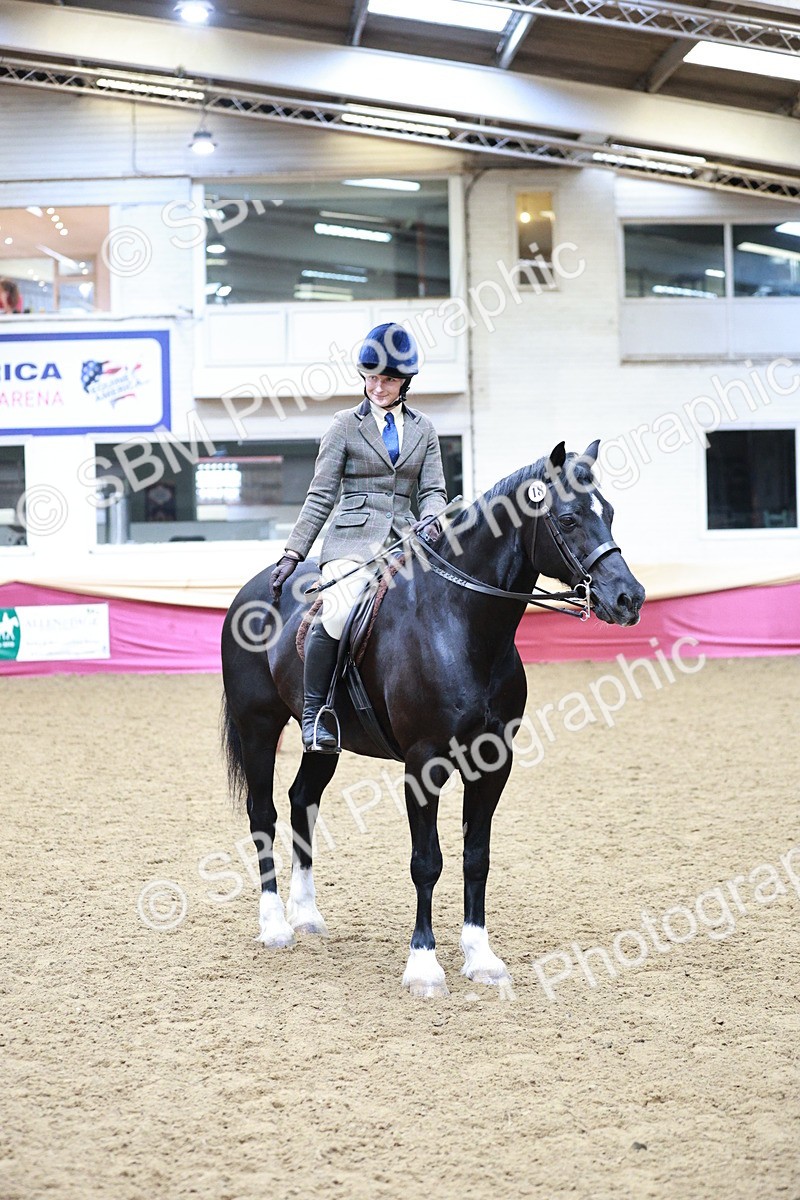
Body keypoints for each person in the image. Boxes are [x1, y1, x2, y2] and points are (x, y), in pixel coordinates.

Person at [271, 322, 448, 752]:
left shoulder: (423, 429)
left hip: (406, 541)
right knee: (337, 610)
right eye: (371, 378)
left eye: (387, 379)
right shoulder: (344, 425)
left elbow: (434, 490)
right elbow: (321, 494)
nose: (377, 387)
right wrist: (294, 551)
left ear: (405, 381)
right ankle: (316, 714)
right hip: (352, 543)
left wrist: (432, 517)